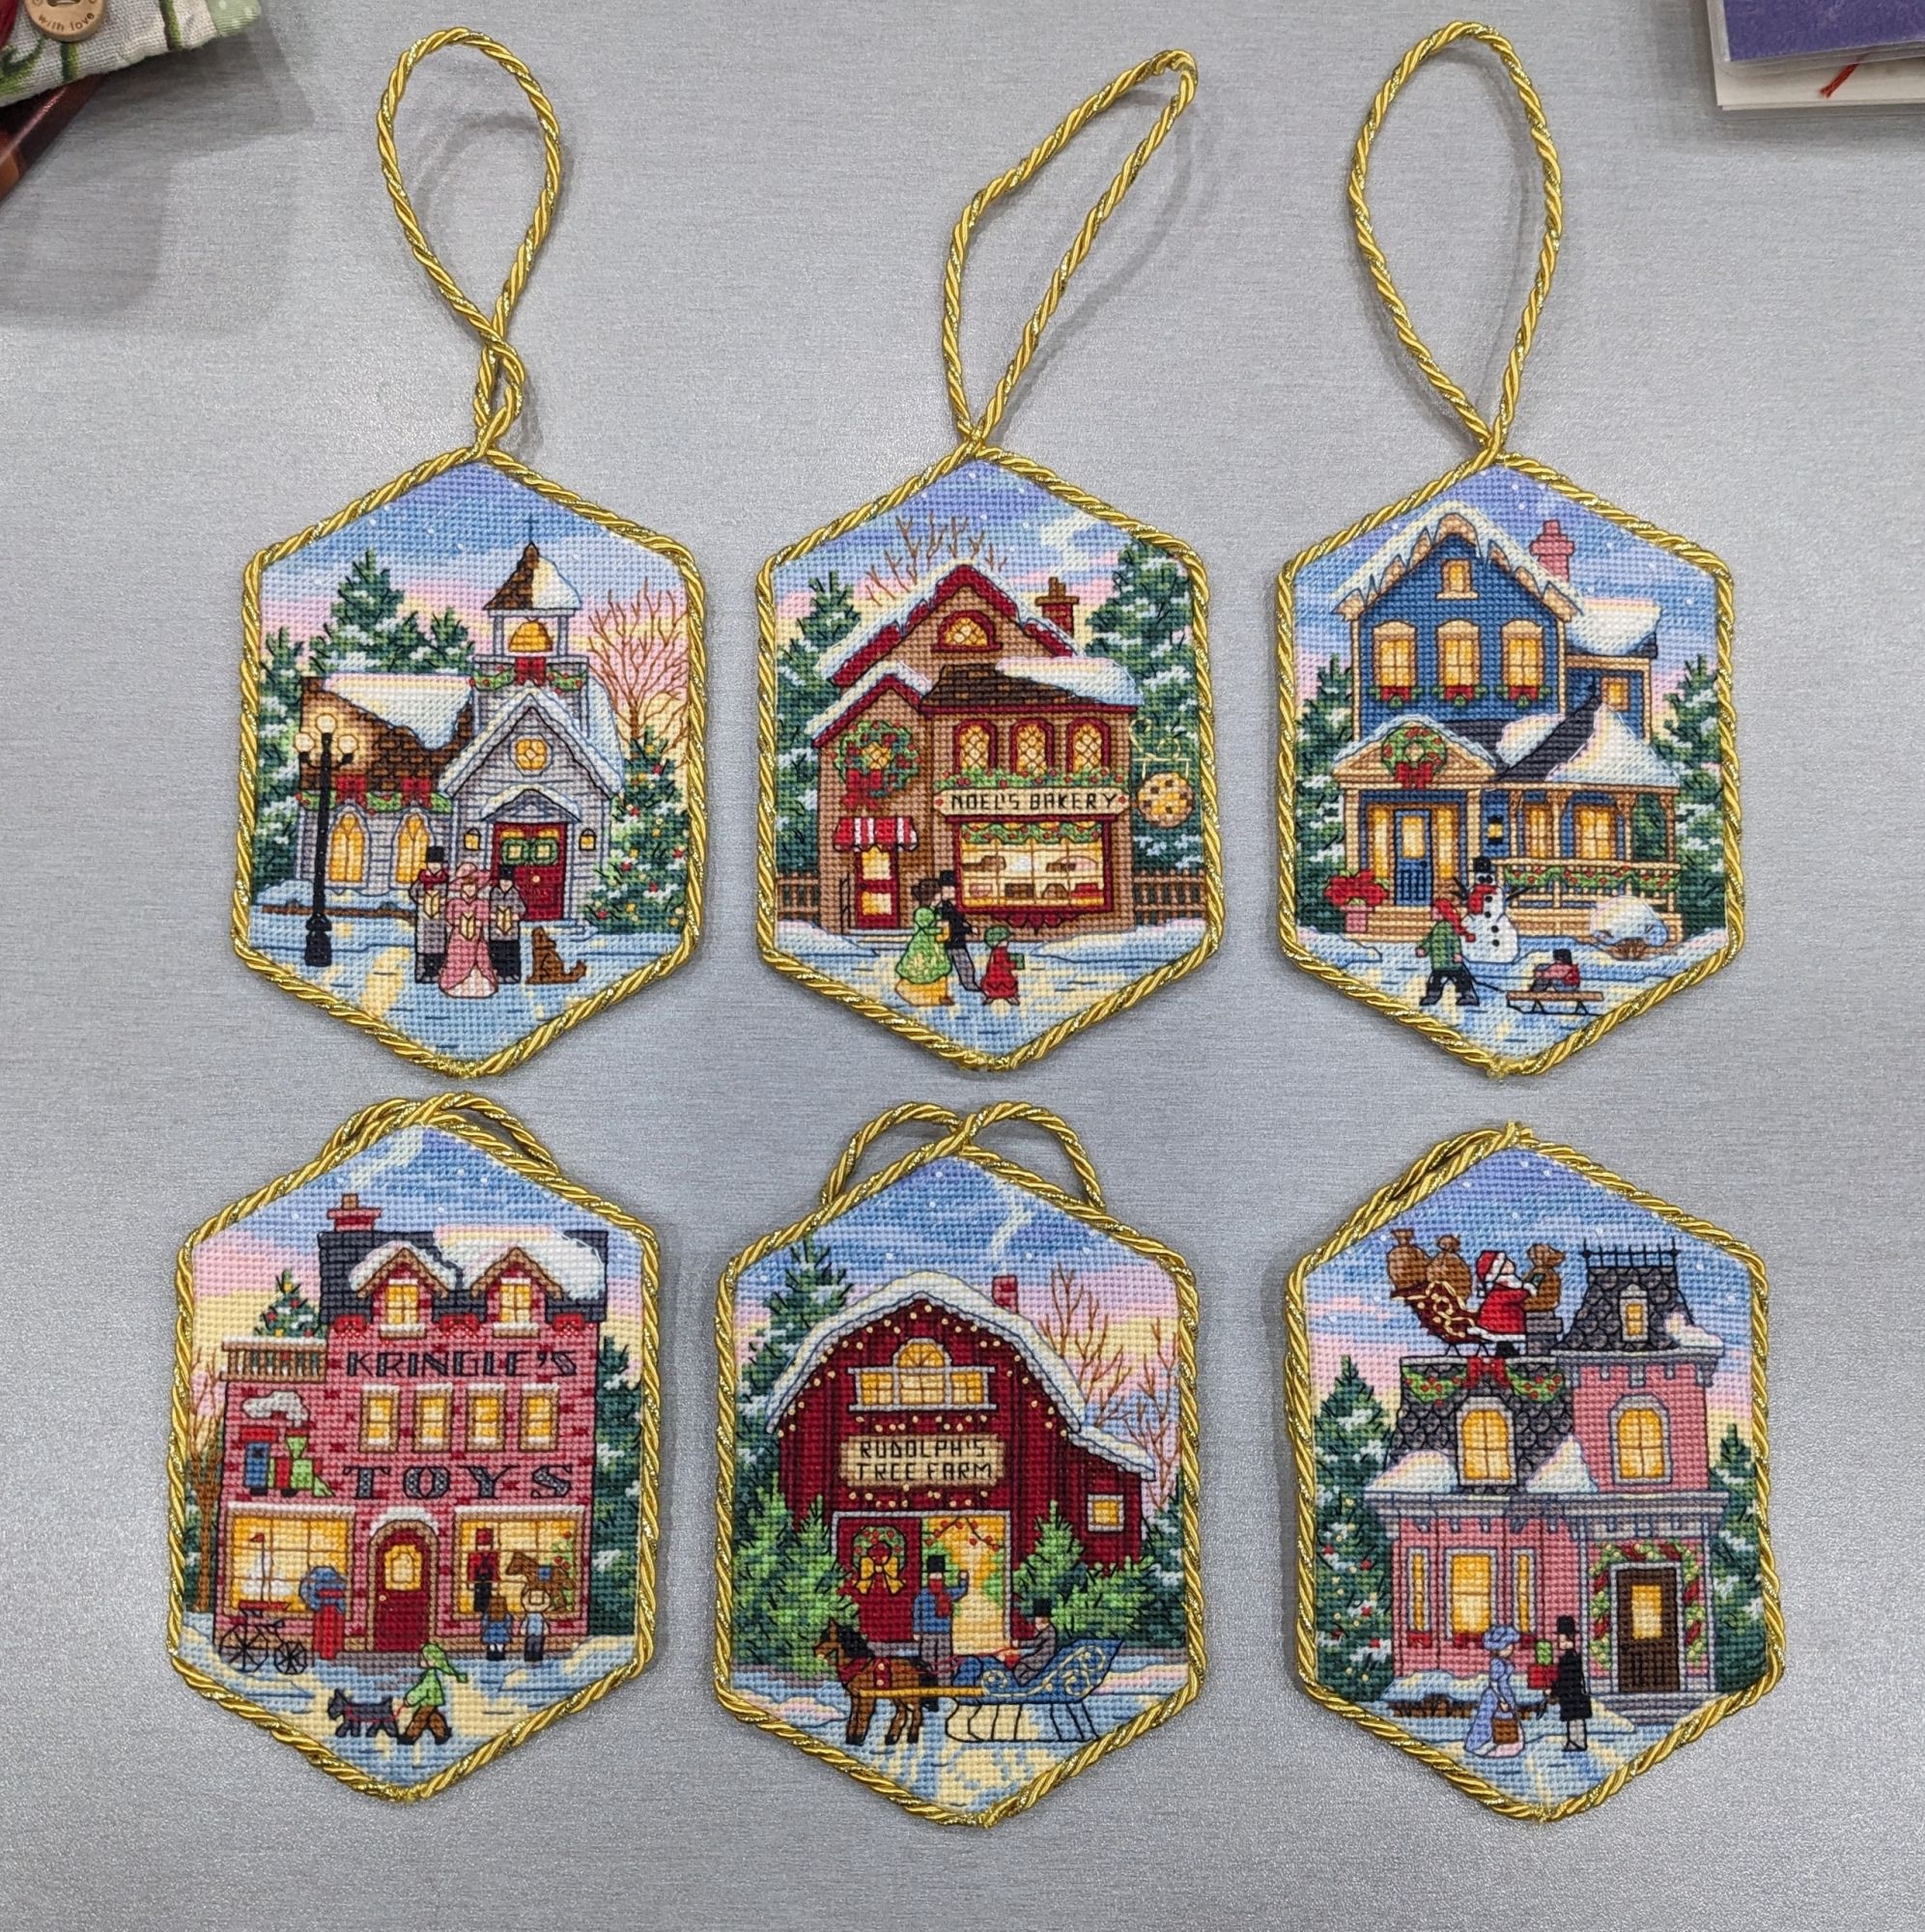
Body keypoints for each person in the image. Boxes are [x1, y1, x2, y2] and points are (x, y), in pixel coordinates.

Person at [439, 863, 498, 999]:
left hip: (476, 939)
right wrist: (461, 923)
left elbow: (484, 919)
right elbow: (450, 918)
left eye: (473, 886)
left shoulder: (482, 903)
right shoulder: (454, 903)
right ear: (461, 887)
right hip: (458, 939)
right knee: (457, 958)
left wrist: (475, 923)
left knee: (480, 958)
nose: (470, 889)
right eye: (467, 886)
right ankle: (454, 984)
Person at [1465, 1626, 1525, 1759]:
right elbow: (1493, 1683)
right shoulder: (1496, 1663)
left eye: (1510, 1645)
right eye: (1506, 1646)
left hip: (1503, 1692)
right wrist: (1502, 1700)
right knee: (1491, 1718)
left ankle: (1506, 1742)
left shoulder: (1503, 1661)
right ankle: (1484, 1743)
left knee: (1504, 1718)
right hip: (1495, 1695)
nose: (1510, 1648)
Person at [1417, 887, 1480, 1009]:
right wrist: (1424, 948)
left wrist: (1457, 953)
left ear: (1442, 913)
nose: (1431, 914)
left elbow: (1454, 940)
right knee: (1436, 980)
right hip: (1440, 963)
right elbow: (1430, 941)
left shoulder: (1447, 927)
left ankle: (1467, 995)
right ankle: (1433, 995)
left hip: (1451, 963)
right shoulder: (1437, 928)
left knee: (1459, 979)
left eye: (1435, 912)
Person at [911, 1554, 969, 1685]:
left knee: (944, 1659)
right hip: (927, 1633)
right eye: (934, 1577)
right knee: (927, 1659)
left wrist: (963, 1578)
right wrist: (916, 1630)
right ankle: (928, 1683)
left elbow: (961, 1590)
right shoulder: (923, 1594)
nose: (936, 1579)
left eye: (939, 1577)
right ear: (928, 1577)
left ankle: (945, 1683)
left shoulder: (947, 1592)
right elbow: (917, 1612)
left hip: (944, 1632)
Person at [399, 1641, 468, 1745]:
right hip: (433, 1699)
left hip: (430, 1700)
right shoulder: (430, 1674)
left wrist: (410, 1699)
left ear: (432, 1661)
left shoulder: (430, 1677)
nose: (420, 1660)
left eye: (423, 1658)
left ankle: (410, 1736)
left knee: (420, 1718)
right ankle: (442, 1734)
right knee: (433, 1717)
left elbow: (422, 1689)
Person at [893, 901, 953, 1008]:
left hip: (936, 948)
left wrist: (944, 929)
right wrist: (941, 928)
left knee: (940, 970)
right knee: (920, 970)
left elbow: (940, 931)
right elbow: (926, 928)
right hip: (922, 947)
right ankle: (915, 995)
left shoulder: (935, 911)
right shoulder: (922, 912)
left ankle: (940, 995)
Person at [930, 871, 980, 995]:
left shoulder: (954, 905)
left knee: (963, 964)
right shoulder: (943, 908)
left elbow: (960, 921)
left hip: (956, 941)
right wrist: (969, 930)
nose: (950, 891)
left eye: (952, 887)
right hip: (949, 941)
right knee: (956, 964)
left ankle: (968, 983)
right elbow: (952, 926)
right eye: (946, 888)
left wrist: (968, 927)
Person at [1474, 1251, 1530, 1357]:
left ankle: (1506, 1352)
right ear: (1499, 1270)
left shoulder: (1507, 1283)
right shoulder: (1503, 1285)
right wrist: (1528, 1290)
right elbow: (1514, 1296)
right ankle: (1507, 1354)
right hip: (1499, 1325)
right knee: (1505, 1341)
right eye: (1506, 1263)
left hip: (1501, 1322)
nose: (1511, 1263)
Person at [410, 845, 450, 983]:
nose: (434, 866)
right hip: (424, 918)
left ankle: (437, 972)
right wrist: (421, 900)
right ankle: (424, 971)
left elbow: (451, 894)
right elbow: (413, 892)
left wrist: (444, 901)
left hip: (439, 920)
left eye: (437, 863)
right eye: (431, 863)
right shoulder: (422, 880)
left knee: (439, 944)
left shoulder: (446, 880)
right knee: (424, 945)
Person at [1551, 1614, 1593, 1752]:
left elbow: (1564, 1679)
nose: (1560, 1643)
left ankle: (1577, 1742)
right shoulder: (1573, 1657)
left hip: (1572, 1694)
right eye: (1560, 1640)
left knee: (1575, 1719)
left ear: (1571, 1639)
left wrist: (1555, 1690)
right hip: (1573, 1694)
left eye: (1563, 1640)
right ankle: (1575, 1741)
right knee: (1574, 1719)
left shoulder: (1568, 1659)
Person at [488, 870, 525, 984]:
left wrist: (517, 916)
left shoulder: (515, 893)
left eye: (508, 882)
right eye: (503, 881)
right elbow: (488, 908)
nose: (505, 884)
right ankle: (498, 973)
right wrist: (492, 915)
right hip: (496, 932)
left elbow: (522, 908)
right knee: (497, 952)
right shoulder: (494, 893)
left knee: (511, 953)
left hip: (511, 932)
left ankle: (512, 973)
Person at [1012, 1601, 1060, 1685]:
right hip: (1038, 1657)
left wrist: (1018, 1644)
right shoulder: (1044, 1630)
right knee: (1020, 1668)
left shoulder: (1049, 1631)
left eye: (1040, 1623)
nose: (1037, 1626)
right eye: (1036, 1623)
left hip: (1040, 1660)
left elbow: (1035, 1643)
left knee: (1021, 1666)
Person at [978, 923, 1022, 1007]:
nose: (1007, 942)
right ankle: (1007, 995)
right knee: (1008, 984)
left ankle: (992, 995)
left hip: (993, 977)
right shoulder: (1000, 952)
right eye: (1005, 940)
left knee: (994, 984)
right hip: (1001, 977)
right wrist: (1014, 964)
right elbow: (1004, 964)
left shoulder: (995, 951)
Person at [467, 1528, 498, 1616]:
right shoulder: (474, 1555)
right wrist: (471, 1581)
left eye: (486, 1545)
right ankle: (478, 1609)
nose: (484, 1548)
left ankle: (488, 1609)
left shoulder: (493, 1555)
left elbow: (495, 1569)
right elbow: (471, 1569)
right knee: (478, 1595)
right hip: (478, 1579)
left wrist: (495, 1581)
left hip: (488, 1579)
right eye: (481, 1545)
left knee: (488, 1594)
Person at [480, 1592, 514, 1662]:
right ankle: (493, 1653)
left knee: (499, 1646)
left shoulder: (505, 1615)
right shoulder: (488, 1615)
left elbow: (508, 1624)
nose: (497, 1608)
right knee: (493, 1646)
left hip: (500, 1634)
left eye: (499, 1605)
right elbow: (484, 1623)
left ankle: (498, 1653)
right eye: (494, 1605)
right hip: (492, 1634)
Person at [522, 1586, 551, 1664]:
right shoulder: (529, 1616)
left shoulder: (541, 1616)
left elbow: (544, 1623)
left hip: (539, 1634)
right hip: (530, 1634)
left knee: (538, 1647)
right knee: (529, 1646)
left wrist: (545, 1630)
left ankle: (537, 1658)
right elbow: (525, 1622)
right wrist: (523, 1629)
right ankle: (529, 1658)